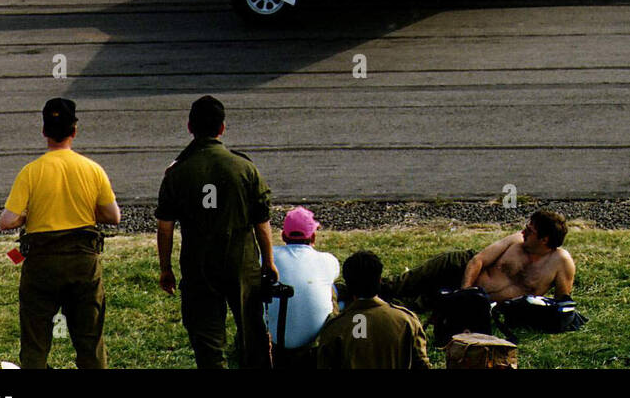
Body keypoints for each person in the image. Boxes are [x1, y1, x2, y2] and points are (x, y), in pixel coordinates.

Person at [155, 95, 276, 369]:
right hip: (241, 261)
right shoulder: (245, 168)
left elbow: (165, 227)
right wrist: (268, 261)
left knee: (206, 335)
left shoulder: (177, 173)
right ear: (222, 128)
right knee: (251, 328)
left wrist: (165, 267)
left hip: (199, 264)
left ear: (190, 127)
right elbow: (261, 222)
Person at [0, 97, 121, 369]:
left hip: (41, 264)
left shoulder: (31, 172)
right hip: (83, 263)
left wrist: (29, 214)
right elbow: (114, 216)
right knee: (90, 341)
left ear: (44, 132)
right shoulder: (93, 170)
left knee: (35, 341)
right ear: (74, 130)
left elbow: (7, 221)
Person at [382, 210, 575, 310]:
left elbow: (560, 306)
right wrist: (465, 293)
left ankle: (368, 304)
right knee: (401, 284)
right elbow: (478, 260)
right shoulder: (516, 241)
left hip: (484, 303)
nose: (523, 232)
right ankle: (358, 288)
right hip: (462, 269)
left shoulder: (560, 263)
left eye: (530, 232)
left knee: (412, 305)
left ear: (545, 240)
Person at [314, 251, 430, 370]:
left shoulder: (335, 327)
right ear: (379, 280)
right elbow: (421, 363)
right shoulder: (406, 320)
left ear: (348, 285)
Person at [265, 206, 339, 368]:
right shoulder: (328, 260)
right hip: (313, 345)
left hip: (275, 342)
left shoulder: (268, 257)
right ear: (313, 236)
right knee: (333, 289)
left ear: (284, 235)